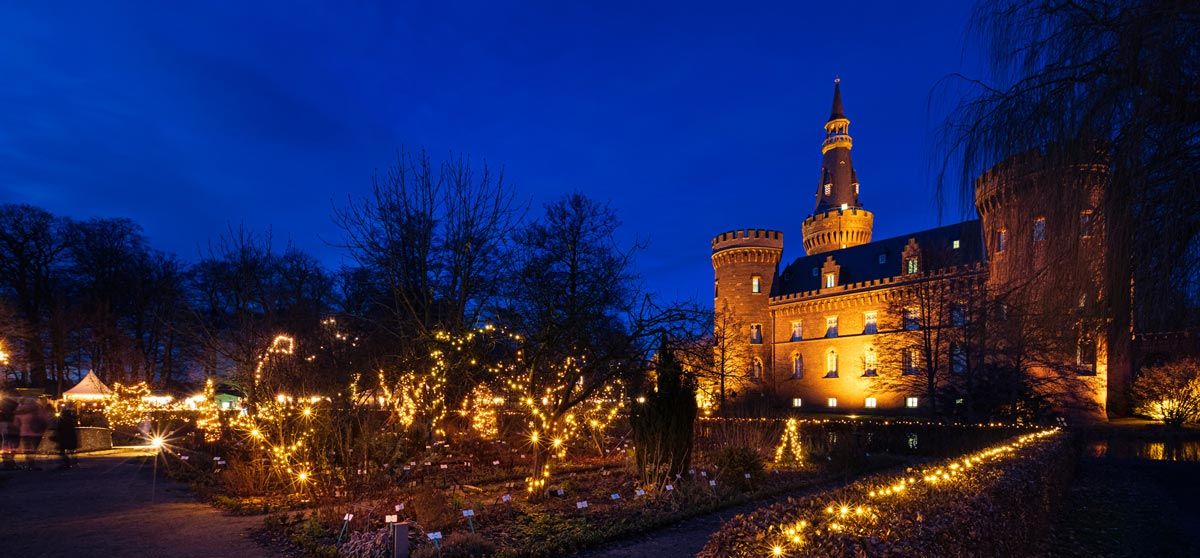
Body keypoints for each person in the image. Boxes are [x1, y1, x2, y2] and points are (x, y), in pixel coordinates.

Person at [53, 403, 79, 469]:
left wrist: (55, 435)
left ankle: (67, 462)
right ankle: (73, 462)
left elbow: (58, 428)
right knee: (71, 451)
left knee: (62, 451)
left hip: (63, 438)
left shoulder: (61, 420)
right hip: (70, 437)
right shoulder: (71, 420)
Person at [0, 393, 17, 470]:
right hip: (9, 428)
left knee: (7, 443)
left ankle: (8, 461)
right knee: (10, 444)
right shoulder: (12, 412)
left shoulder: (4, 413)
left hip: (7, 429)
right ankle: (8, 462)